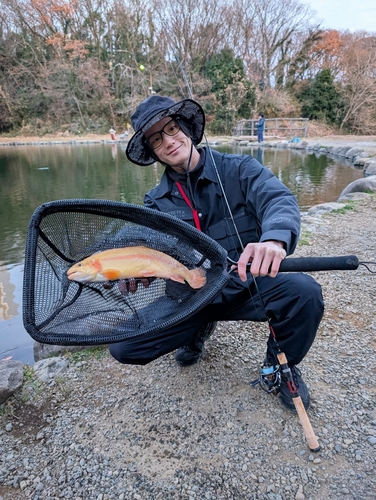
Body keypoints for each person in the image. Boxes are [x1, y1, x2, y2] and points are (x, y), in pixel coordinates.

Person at [110, 95, 324, 412]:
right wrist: (136, 274)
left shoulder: (241, 169)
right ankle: (196, 331)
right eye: (157, 139)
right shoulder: (154, 202)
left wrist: (275, 240)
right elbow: (149, 252)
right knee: (124, 346)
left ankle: (280, 362)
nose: (168, 141)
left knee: (306, 293)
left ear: (186, 128)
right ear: (153, 151)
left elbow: (278, 200)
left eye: (171, 128)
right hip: (189, 299)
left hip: (246, 287)